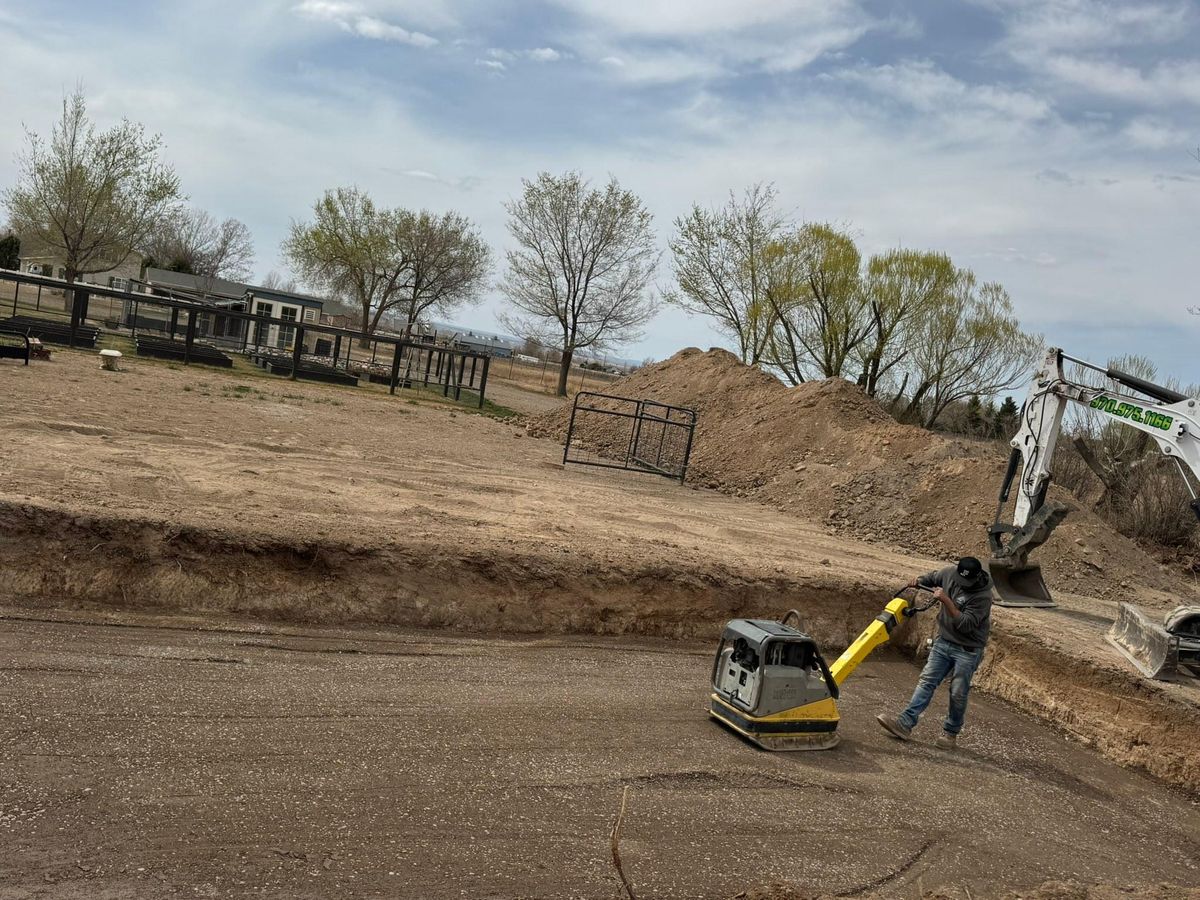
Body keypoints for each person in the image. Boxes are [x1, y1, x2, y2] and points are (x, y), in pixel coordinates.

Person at [875, 556, 993, 750]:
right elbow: (931, 578)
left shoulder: (982, 596)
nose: (962, 585)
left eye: (967, 583)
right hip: (944, 642)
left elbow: (965, 624)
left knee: (957, 693)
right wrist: (919, 581)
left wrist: (946, 600)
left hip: (967, 649)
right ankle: (904, 724)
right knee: (927, 681)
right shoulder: (948, 573)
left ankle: (950, 733)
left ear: (976, 577)